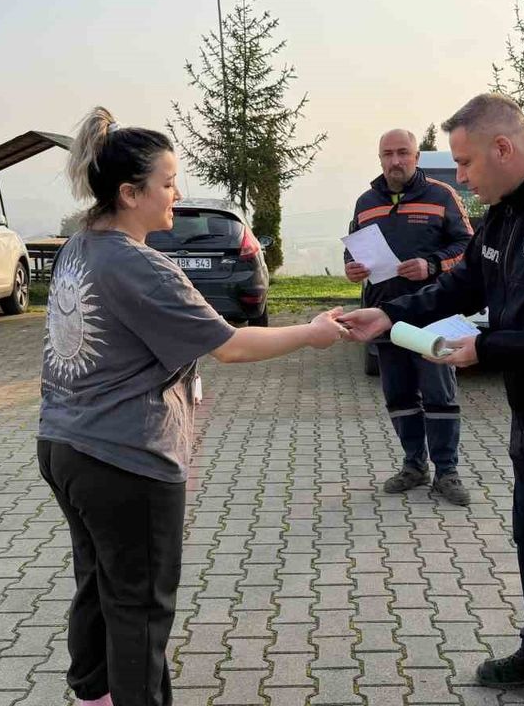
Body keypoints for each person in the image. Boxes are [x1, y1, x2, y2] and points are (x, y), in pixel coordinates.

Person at [38, 107, 348, 706]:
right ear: (130, 194)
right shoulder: (139, 265)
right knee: (141, 608)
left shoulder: (81, 245)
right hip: (126, 458)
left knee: (98, 583)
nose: (177, 193)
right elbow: (231, 345)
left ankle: (91, 694)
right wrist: (312, 333)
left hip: (64, 445)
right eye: (168, 182)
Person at [341, 93, 524, 706]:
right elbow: (463, 283)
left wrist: (487, 350)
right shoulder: (505, 211)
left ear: (504, 149)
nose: (464, 178)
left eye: (467, 163)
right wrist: (385, 315)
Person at [344, 128, 474, 505]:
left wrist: (431, 265)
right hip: (384, 315)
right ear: (380, 158)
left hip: (432, 314)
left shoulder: (441, 195)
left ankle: (447, 473)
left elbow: (468, 247)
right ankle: (414, 466)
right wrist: (352, 267)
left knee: (440, 395)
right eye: (388, 154)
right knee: (399, 396)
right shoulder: (365, 202)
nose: (395, 160)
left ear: (416, 157)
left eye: (403, 153)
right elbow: (353, 251)